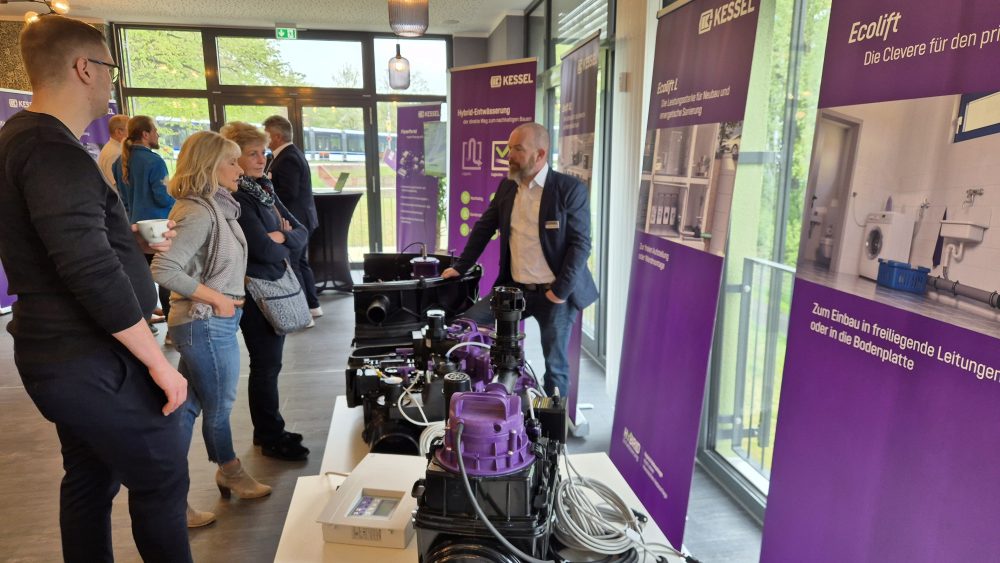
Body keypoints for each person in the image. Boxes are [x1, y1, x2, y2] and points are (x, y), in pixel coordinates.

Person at [0, 15, 191, 562]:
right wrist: (156, 362)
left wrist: (126, 238)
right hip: (86, 356)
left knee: (90, 474)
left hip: (62, 354)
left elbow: (62, 242)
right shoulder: (51, 149)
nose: (111, 82)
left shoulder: (22, 139)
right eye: (110, 68)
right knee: (161, 473)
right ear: (84, 67)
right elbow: (87, 269)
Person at [152, 131, 271, 528]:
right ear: (208, 166)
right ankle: (230, 471)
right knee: (218, 407)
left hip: (208, 322)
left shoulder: (216, 207)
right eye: (232, 162)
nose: (241, 169)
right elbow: (164, 269)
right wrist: (217, 299)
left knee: (188, 407)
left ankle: (170, 496)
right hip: (205, 322)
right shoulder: (200, 212)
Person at [442, 122, 598, 398]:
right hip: (514, 290)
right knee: (466, 326)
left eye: (517, 149)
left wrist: (559, 292)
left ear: (540, 154)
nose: (509, 155)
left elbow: (581, 244)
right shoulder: (507, 187)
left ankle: (553, 423)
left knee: (555, 367)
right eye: (509, 148)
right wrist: (460, 267)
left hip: (555, 295)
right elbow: (484, 228)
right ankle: (492, 402)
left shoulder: (569, 189)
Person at [220, 121, 312, 461]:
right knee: (265, 365)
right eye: (253, 154)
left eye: (264, 152)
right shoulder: (237, 197)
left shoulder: (263, 190)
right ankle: (270, 435)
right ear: (233, 158)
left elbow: (301, 230)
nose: (262, 159)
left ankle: (268, 430)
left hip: (272, 284)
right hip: (255, 291)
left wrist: (282, 236)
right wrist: (283, 240)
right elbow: (262, 249)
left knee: (270, 365)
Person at [114, 114, 176, 333]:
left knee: (141, 279)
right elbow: (162, 197)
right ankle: (172, 330)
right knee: (167, 277)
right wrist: (178, 200)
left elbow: (122, 198)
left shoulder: (119, 162)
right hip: (157, 228)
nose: (158, 135)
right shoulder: (154, 161)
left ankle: (144, 325)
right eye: (155, 131)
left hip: (134, 227)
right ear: (145, 134)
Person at [262, 115, 322, 318]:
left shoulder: (288, 158)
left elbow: (289, 192)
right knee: (300, 263)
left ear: (277, 136)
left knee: (294, 264)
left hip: (297, 220)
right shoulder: (284, 155)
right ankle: (313, 306)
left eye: (266, 135)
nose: (264, 139)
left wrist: (265, 196)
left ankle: (303, 311)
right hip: (301, 219)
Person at [97, 113, 127, 192]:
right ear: (119, 132)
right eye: (130, 129)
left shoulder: (115, 149)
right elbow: (116, 187)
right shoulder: (114, 154)